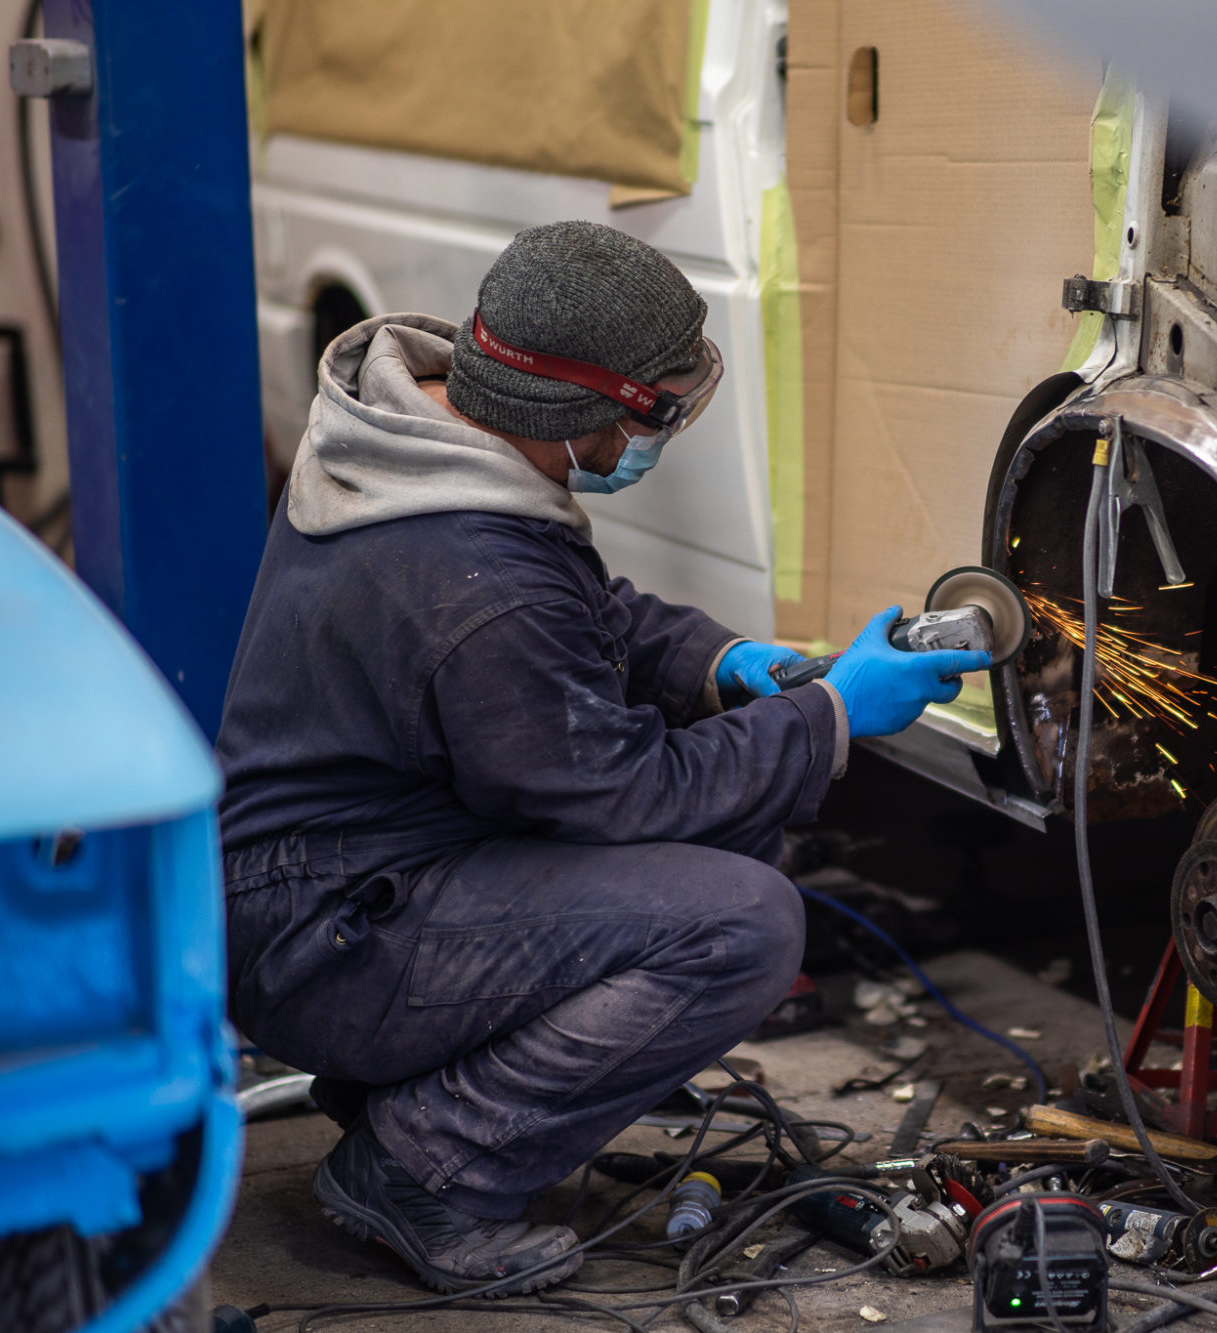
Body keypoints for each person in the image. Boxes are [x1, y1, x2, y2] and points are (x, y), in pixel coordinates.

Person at [215, 221, 987, 1295]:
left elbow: (591, 618)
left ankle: (427, 1093)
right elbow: (626, 795)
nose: (663, 433)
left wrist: (730, 665)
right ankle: (425, 1167)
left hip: (339, 876)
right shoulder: (466, 568)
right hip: (327, 939)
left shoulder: (423, 446)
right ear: (582, 409)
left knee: (738, 819)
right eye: (660, 409)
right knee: (739, 922)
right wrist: (834, 718)